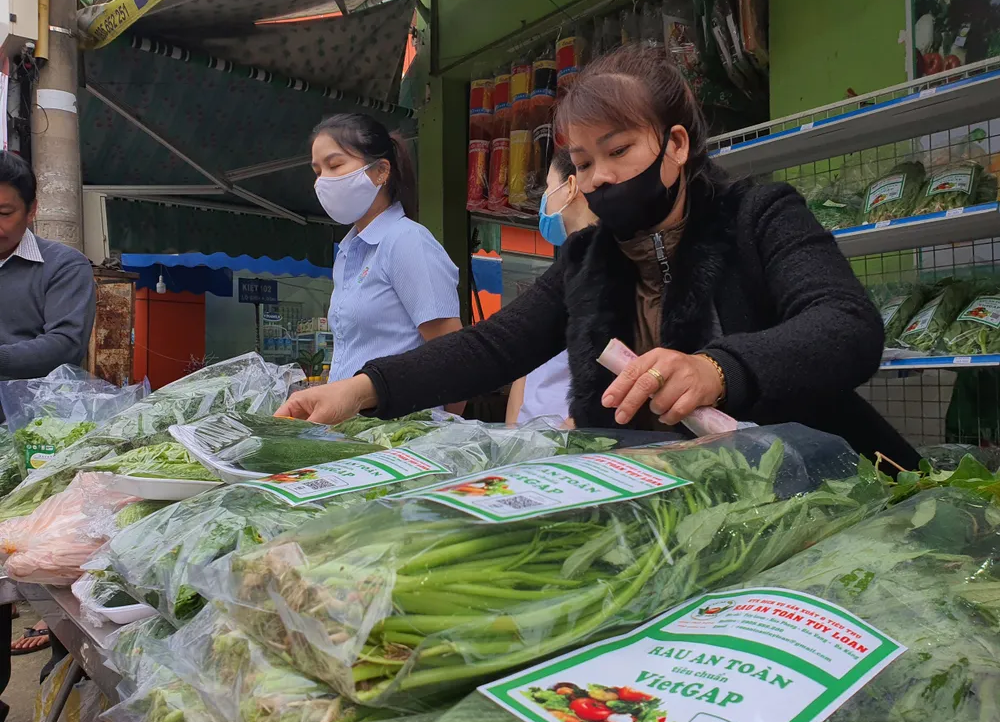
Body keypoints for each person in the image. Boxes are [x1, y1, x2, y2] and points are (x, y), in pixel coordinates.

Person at [277, 45, 921, 469]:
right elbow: (490, 348)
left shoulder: (757, 215)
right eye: (583, 164)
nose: (599, 179)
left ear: (673, 145)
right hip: (676, 509)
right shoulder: (587, 261)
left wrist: (718, 368)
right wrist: (362, 390)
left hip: (816, 490)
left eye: (618, 152)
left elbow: (847, 327)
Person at [0, 151, 95, 660]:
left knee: (50, 570)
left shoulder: (63, 266)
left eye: (3, 213)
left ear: (32, 210)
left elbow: (63, 344)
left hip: (40, 447)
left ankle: (63, 661)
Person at [312, 114, 463, 398]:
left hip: (400, 431)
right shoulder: (347, 253)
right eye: (317, 171)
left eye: (335, 165)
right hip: (353, 432)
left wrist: (434, 428)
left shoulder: (407, 241)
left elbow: (454, 357)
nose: (323, 182)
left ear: (381, 171)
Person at [506, 150, 596, 427]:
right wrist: (512, 432)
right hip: (529, 446)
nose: (544, 200)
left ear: (570, 187)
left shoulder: (605, 278)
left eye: (548, 186)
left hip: (571, 449)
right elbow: (524, 359)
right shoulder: (562, 274)